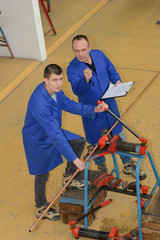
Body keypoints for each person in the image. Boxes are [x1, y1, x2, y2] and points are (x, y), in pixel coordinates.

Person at [22, 64, 108, 221]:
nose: (59, 84)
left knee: (78, 142)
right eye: (55, 80)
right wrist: (76, 160)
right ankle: (41, 206)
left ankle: (68, 177)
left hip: (51, 131)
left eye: (60, 79)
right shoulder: (39, 102)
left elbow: (69, 104)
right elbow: (55, 134)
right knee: (42, 174)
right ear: (45, 80)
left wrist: (93, 110)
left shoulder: (55, 91)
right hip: (37, 139)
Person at [67, 34, 146, 180]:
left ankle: (128, 164)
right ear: (73, 50)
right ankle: (101, 168)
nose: (81, 54)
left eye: (83, 50)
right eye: (76, 51)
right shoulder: (72, 69)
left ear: (89, 47)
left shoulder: (99, 55)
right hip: (93, 111)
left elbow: (110, 68)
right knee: (97, 142)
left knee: (119, 135)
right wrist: (86, 79)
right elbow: (77, 90)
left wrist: (116, 80)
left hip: (110, 106)